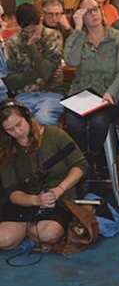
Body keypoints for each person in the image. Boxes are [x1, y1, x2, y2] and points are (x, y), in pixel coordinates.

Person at [0, 100, 89, 250]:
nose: (17, 132)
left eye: (19, 125)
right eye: (10, 130)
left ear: (27, 117)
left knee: (46, 233)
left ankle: (32, 231)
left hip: (59, 198)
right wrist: (36, 200)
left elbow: (81, 165)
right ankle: (29, 230)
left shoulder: (54, 135)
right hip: (26, 200)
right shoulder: (6, 148)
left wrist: (60, 188)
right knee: (4, 240)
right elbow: (11, 191)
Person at [64, 0, 119, 155]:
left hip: (107, 95)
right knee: (73, 124)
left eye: (95, 9)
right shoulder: (78, 39)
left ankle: (96, 161)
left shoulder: (117, 37)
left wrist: (112, 93)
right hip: (81, 95)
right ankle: (83, 164)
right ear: (80, 16)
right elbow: (70, 60)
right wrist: (78, 29)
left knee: (98, 123)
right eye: (87, 12)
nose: (93, 14)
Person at [4, 3, 65, 126]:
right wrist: (38, 72)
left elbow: (47, 73)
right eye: (27, 32)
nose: (30, 35)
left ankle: (50, 145)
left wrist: (32, 46)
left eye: (34, 30)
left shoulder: (53, 36)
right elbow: (9, 81)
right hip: (23, 96)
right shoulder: (12, 43)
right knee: (19, 124)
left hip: (51, 93)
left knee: (43, 119)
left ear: (40, 21)